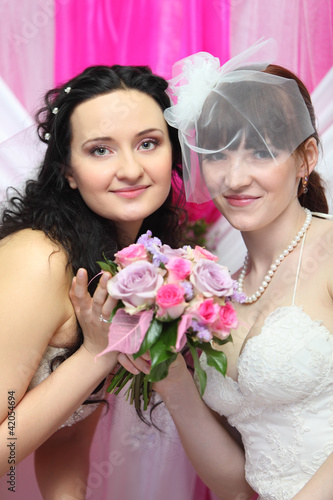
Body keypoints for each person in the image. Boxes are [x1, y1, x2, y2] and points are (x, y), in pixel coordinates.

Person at [116, 40, 333, 500]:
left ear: (307, 157)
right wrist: (172, 380)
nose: (233, 179)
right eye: (217, 154)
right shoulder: (216, 294)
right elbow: (234, 483)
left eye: (259, 151)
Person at [0, 64, 207, 499]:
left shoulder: (120, 261)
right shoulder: (41, 258)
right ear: (68, 171)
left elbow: (66, 435)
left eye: (148, 143)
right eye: (100, 150)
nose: (130, 169)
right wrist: (96, 353)